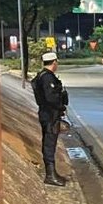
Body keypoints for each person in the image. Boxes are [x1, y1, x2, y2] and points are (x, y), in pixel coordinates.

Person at [31, 52, 69, 187]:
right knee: (49, 143)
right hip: (50, 115)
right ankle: (50, 175)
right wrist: (60, 106)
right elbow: (50, 98)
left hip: (47, 113)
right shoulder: (47, 78)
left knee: (50, 142)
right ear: (54, 62)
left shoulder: (43, 75)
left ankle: (52, 173)